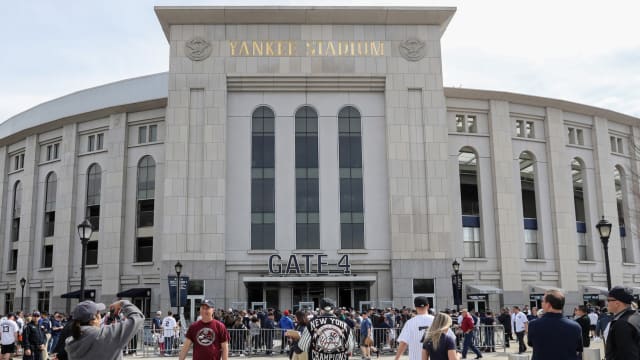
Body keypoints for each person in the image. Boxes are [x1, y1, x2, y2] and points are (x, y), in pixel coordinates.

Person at [64, 300, 144, 360]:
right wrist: (123, 303)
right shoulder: (106, 334)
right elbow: (138, 318)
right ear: (95, 318)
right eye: (99, 312)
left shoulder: (71, 340)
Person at [527, 289, 583, 360]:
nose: (542, 303)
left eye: (543, 301)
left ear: (548, 305)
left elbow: (531, 344)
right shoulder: (575, 326)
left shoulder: (533, 324)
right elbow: (578, 349)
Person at [604, 286, 640, 359]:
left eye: (608, 300)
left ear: (617, 303)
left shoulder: (622, 324)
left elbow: (628, 355)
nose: (606, 303)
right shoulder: (636, 317)